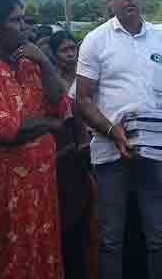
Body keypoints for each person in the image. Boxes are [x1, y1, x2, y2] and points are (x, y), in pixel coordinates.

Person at [75, 0, 162, 279]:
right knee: (111, 241)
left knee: (159, 238)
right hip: (111, 154)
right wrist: (115, 133)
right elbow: (82, 98)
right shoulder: (96, 40)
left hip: (152, 153)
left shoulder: (161, 39)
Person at [0, 0, 68, 279]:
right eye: (16, 20)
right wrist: (49, 125)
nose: (24, 27)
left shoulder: (30, 63)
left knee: (44, 253)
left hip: (43, 185)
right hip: (10, 189)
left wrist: (45, 62)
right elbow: (7, 129)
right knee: (15, 259)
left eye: (24, 20)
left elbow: (59, 105)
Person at [49, 30, 99, 279]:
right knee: (71, 224)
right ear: (54, 55)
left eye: (73, 48)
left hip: (96, 149)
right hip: (68, 160)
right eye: (64, 50)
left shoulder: (87, 78)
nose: (70, 54)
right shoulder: (52, 85)